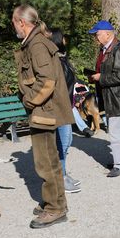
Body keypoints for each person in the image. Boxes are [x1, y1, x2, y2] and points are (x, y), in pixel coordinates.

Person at [12, 5, 74, 228]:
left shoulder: (37, 44)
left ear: (22, 22)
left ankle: (55, 209)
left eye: (14, 22)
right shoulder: (35, 42)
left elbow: (47, 81)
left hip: (43, 111)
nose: (14, 27)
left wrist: (29, 101)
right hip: (44, 110)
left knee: (45, 162)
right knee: (50, 160)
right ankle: (55, 201)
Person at [88, 20, 120, 178]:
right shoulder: (106, 49)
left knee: (116, 133)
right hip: (114, 97)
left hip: (119, 98)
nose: (95, 37)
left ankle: (119, 165)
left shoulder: (119, 49)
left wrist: (100, 77)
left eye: (97, 34)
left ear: (108, 34)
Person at [50, 30, 84, 194]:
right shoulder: (55, 60)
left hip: (67, 106)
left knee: (67, 141)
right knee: (62, 144)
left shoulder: (62, 58)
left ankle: (63, 173)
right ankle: (60, 179)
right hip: (59, 108)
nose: (65, 39)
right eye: (63, 37)